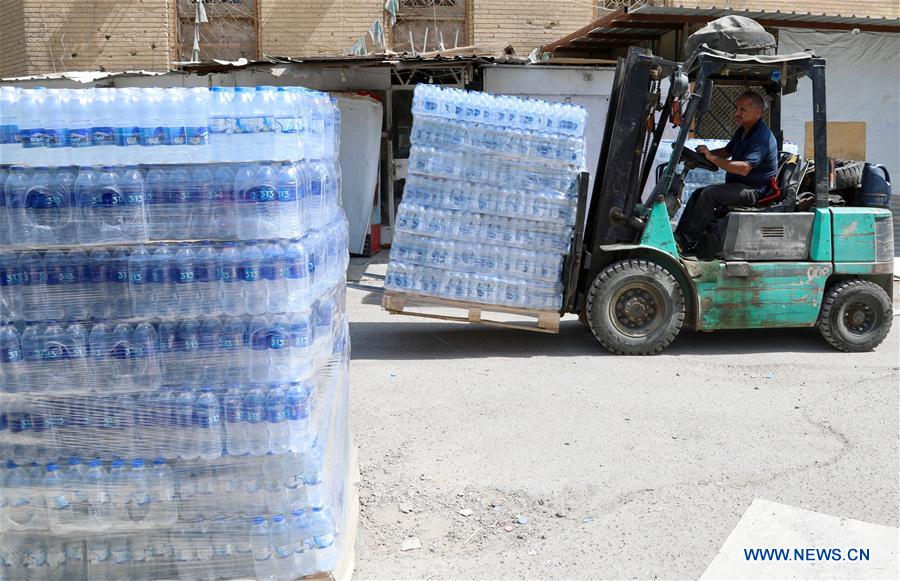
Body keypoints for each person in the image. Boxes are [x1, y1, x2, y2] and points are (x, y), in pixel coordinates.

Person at [675, 91, 778, 253]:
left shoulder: (761, 136)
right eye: (736, 108)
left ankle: (687, 242)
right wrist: (704, 154)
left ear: (758, 112)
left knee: (710, 194)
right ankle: (680, 236)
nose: (736, 113)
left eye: (742, 109)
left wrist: (712, 158)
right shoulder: (743, 130)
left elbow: (744, 168)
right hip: (740, 186)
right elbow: (726, 151)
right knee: (698, 194)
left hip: (754, 191)